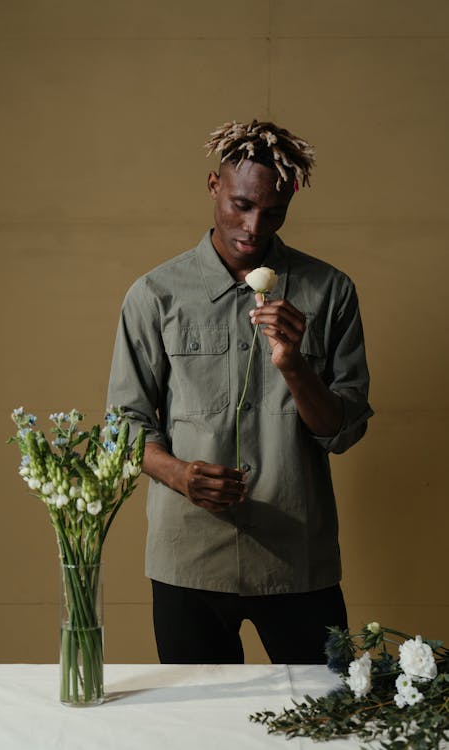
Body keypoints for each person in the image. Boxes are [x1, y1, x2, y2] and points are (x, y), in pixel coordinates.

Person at [107, 119, 373, 665]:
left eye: (273, 212)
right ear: (213, 185)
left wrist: (295, 366)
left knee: (329, 721)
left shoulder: (330, 291)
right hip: (190, 557)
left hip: (298, 561)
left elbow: (342, 432)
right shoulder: (154, 295)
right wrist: (179, 474)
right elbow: (125, 423)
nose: (254, 227)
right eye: (241, 204)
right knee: (199, 730)